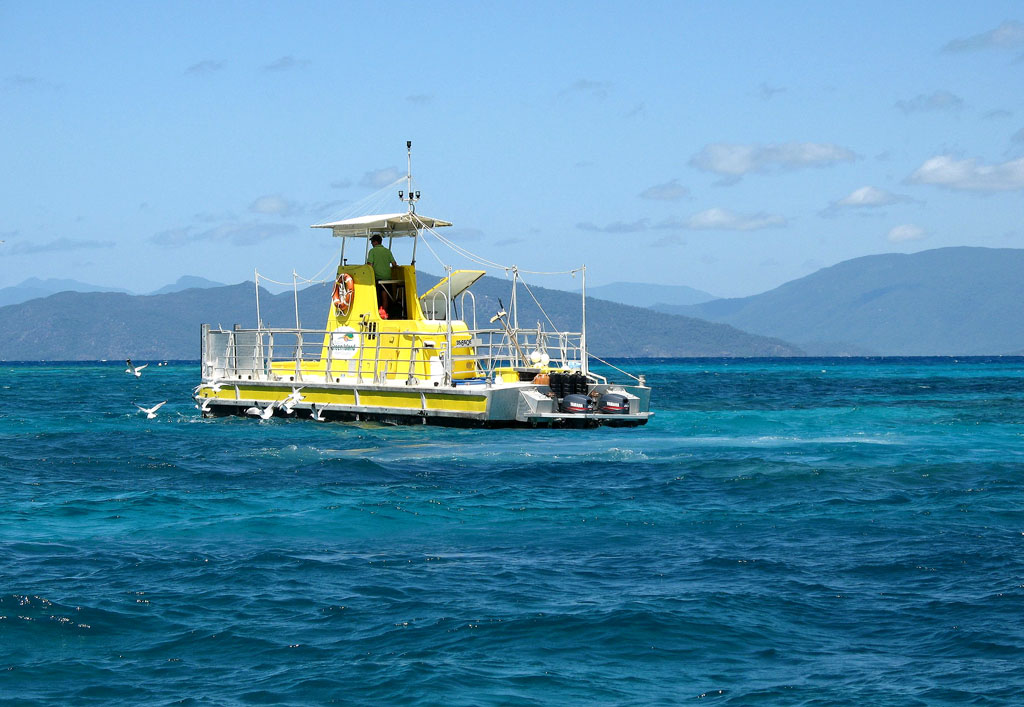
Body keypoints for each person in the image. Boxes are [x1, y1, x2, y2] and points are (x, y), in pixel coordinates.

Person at [366, 234, 397, 314]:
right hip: (388, 278)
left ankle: (381, 314)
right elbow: (394, 264)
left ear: (375, 242)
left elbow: (369, 265)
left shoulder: (372, 251)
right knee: (386, 297)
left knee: (379, 298)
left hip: (378, 278)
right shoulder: (387, 251)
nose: (372, 244)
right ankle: (385, 313)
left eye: (372, 242)